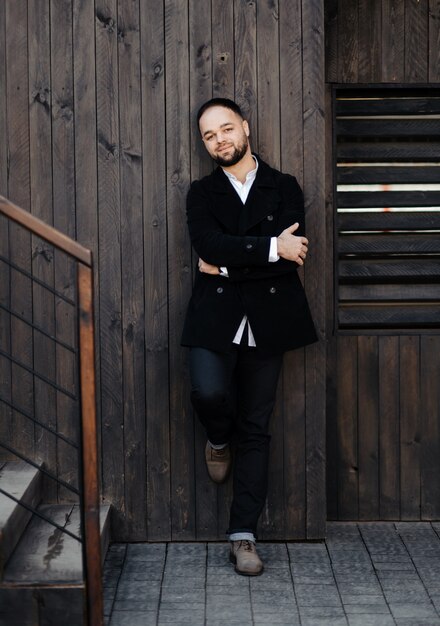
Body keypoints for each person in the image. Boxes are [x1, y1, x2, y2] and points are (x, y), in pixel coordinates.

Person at [181, 98, 317, 576]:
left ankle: (244, 537)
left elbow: (295, 250)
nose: (219, 140)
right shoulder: (200, 194)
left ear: (245, 127)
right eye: (209, 135)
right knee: (209, 392)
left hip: (270, 320)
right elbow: (209, 244)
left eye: (225, 129)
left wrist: (225, 263)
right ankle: (218, 437)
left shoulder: (284, 187)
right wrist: (268, 250)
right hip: (213, 318)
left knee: (256, 428)